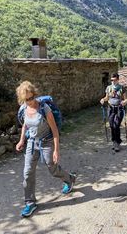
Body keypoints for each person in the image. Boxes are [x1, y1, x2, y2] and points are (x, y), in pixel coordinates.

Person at [15, 81, 76, 217]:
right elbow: (25, 125)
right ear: (22, 99)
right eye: (26, 99)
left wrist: (56, 150)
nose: (30, 101)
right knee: (27, 173)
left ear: (35, 94)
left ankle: (69, 179)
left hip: (47, 141)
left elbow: (55, 131)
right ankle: (30, 203)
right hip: (32, 143)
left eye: (31, 98)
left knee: (52, 168)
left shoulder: (44, 108)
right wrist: (21, 140)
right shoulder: (24, 108)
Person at [100, 73, 127, 152]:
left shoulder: (122, 88)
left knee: (116, 125)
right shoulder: (109, 88)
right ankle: (114, 141)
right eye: (112, 80)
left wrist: (124, 102)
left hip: (119, 109)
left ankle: (117, 143)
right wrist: (103, 100)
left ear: (118, 80)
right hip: (111, 108)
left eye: (114, 80)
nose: (113, 81)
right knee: (112, 125)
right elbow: (106, 97)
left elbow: (126, 99)